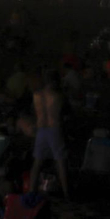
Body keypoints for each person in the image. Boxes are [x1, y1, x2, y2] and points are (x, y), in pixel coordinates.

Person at [27, 69, 72, 198]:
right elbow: (67, 112)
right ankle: (66, 193)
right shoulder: (58, 95)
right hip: (55, 129)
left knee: (37, 162)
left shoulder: (36, 95)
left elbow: (33, 112)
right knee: (60, 161)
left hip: (41, 130)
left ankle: (31, 191)